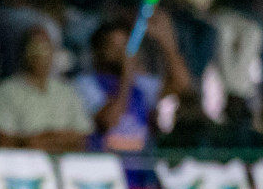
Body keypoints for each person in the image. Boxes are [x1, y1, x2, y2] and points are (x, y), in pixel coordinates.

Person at [74, 12, 192, 153]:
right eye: (115, 47)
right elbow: (110, 121)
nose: (124, 54)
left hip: (141, 163)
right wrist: (127, 73)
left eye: (126, 46)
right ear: (99, 51)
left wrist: (166, 41)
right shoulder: (86, 83)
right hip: (108, 164)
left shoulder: (140, 83)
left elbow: (181, 84)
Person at [0, 26, 91, 152]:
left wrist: (41, 139)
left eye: (46, 48)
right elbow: (3, 141)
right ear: (23, 52)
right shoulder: (4, 91)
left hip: (66, 167)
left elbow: (82, 139)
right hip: (23, 167)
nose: (41, 54)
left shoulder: (67, 91)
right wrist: (55, 139)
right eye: (34, 48)